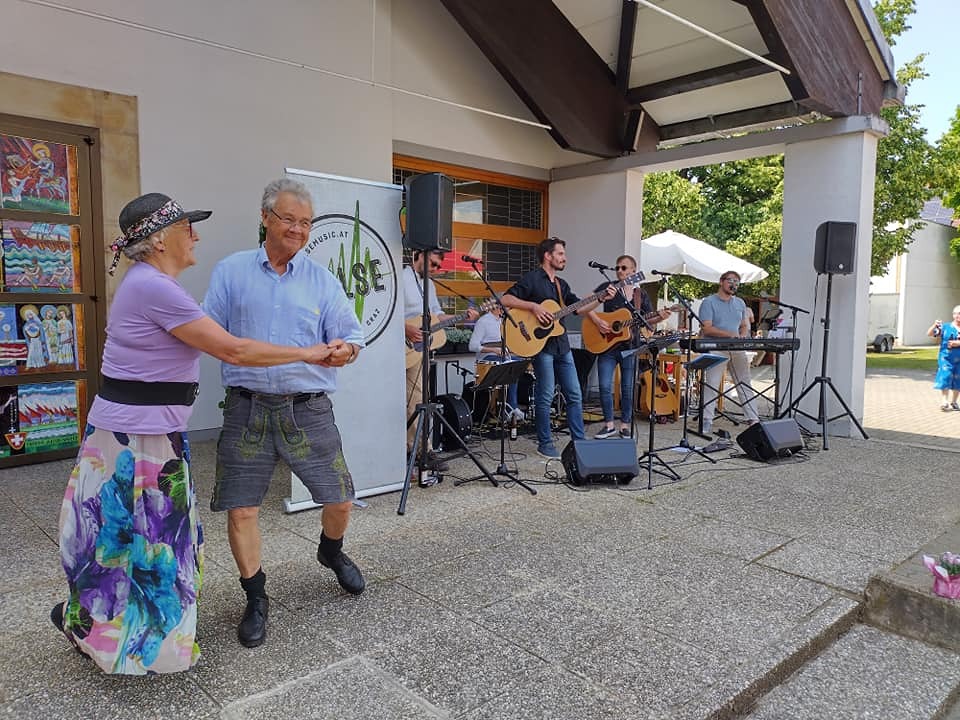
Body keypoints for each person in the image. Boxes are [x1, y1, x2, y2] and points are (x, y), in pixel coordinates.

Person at [52, 192, 335, 675]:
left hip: (142, 432)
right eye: (188, 228)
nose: (196, 236)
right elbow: (235, 351)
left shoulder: (149, 284)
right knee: (146, 543)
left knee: (129, 541)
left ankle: (102, 627)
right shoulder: (154, 287)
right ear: (161, 239)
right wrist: (310, 353)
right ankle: (124, 638)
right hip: (137, 438)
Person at [204, 177, 364, 650]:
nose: (298, 229)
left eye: (306, 222)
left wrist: (345, 350)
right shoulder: (231, 272)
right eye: (289, 219)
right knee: (241, 510)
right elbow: (207, 332)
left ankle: (330, 551)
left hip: (307, 409)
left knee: (340, 498)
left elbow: (352, 336)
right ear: (265, 217)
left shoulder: (322, 280)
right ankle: (255, 596)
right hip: (246, 408)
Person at [501, 237, 615, 459]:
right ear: (548, 255)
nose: (565, 258)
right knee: (545, 395)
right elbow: (505, 299)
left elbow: (579, 309)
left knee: (574, 394)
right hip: (541, 346)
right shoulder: (533, 279)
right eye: (560, 254)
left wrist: (601, 298)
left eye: (564, 254)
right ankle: (544, 443)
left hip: (562, 345)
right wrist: (533, 307)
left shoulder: (562, 285)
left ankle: (579, 441)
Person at [403, 249, 478, 473]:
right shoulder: (400, 278)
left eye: (438, 266)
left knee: (417, 398)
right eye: (432, 263)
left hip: (419, 349)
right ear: (418, 255)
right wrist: (405, 328)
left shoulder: (430, 285)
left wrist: (462, 317)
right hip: (398, 344)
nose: (435, 269)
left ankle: (422, 450)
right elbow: (387, 310)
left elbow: (437, 315)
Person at [586, 255, 670, 439]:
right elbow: (585, 303)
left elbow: (648, 319)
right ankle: (609, 425)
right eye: (617, 267)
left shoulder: (641, 295)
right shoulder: (609, 287)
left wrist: (660, 317)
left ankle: (624, 425)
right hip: (607, 346)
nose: (619, 271)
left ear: (633, 270)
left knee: (627, 387)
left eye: (624, 268)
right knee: (604, 386)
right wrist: (598, 321)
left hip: (630, 347)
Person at [698, 270, 760, 435]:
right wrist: (730, 334)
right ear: (721, 281)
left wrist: (742, 335)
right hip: (717, 348)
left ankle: (753, 419)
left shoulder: (739, 303)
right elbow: (707, 328)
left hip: (736, 348)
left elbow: (744, 325)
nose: (734, 284)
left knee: (744, 382)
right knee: (712, 383)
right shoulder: (709, 302)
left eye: (737, 282)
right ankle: (706, 420)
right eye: (731, 281)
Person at [468, 304, 525, 421]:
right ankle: (510, 408)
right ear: (498, 307)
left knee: (519, 363)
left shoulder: (505, 321)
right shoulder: (483, 321)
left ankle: (510, 406)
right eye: (508, 307)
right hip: (486, 359)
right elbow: (472, 346)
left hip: (503, 357)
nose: (510, 309)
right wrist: (494, 350)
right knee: (511, 365)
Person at [928, 306, 960, 411]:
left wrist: (958, 343)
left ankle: (954, 402)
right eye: (956, 313)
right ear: (953, 315)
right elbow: (930, 334)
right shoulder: (945, 327)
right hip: (946, 358)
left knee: (958, 379)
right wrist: (935, 325)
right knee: (945, 376)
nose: (958, 316)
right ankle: (944, 401)